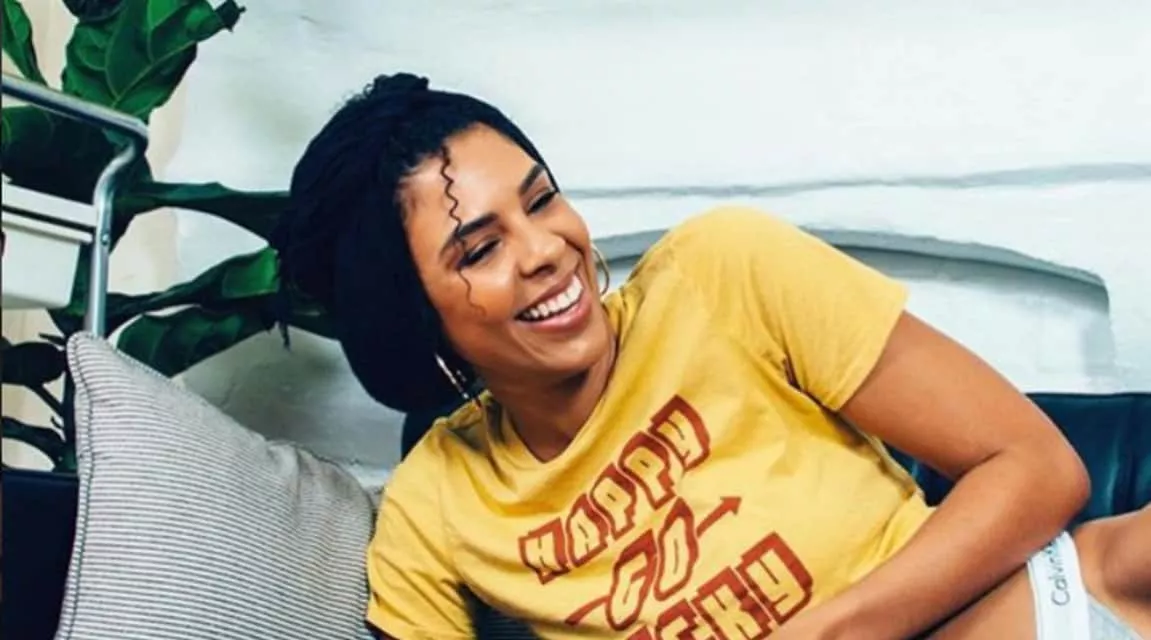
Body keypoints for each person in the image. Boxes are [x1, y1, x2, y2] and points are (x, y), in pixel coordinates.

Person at [273, 73, 1150, 639]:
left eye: (541, 202)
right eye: (479, 250)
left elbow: (1036, 468)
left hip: (1044, 613)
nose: (545, 250)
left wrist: (829, 633)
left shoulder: (720, 273)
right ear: (411, 317)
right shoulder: (436, 507)